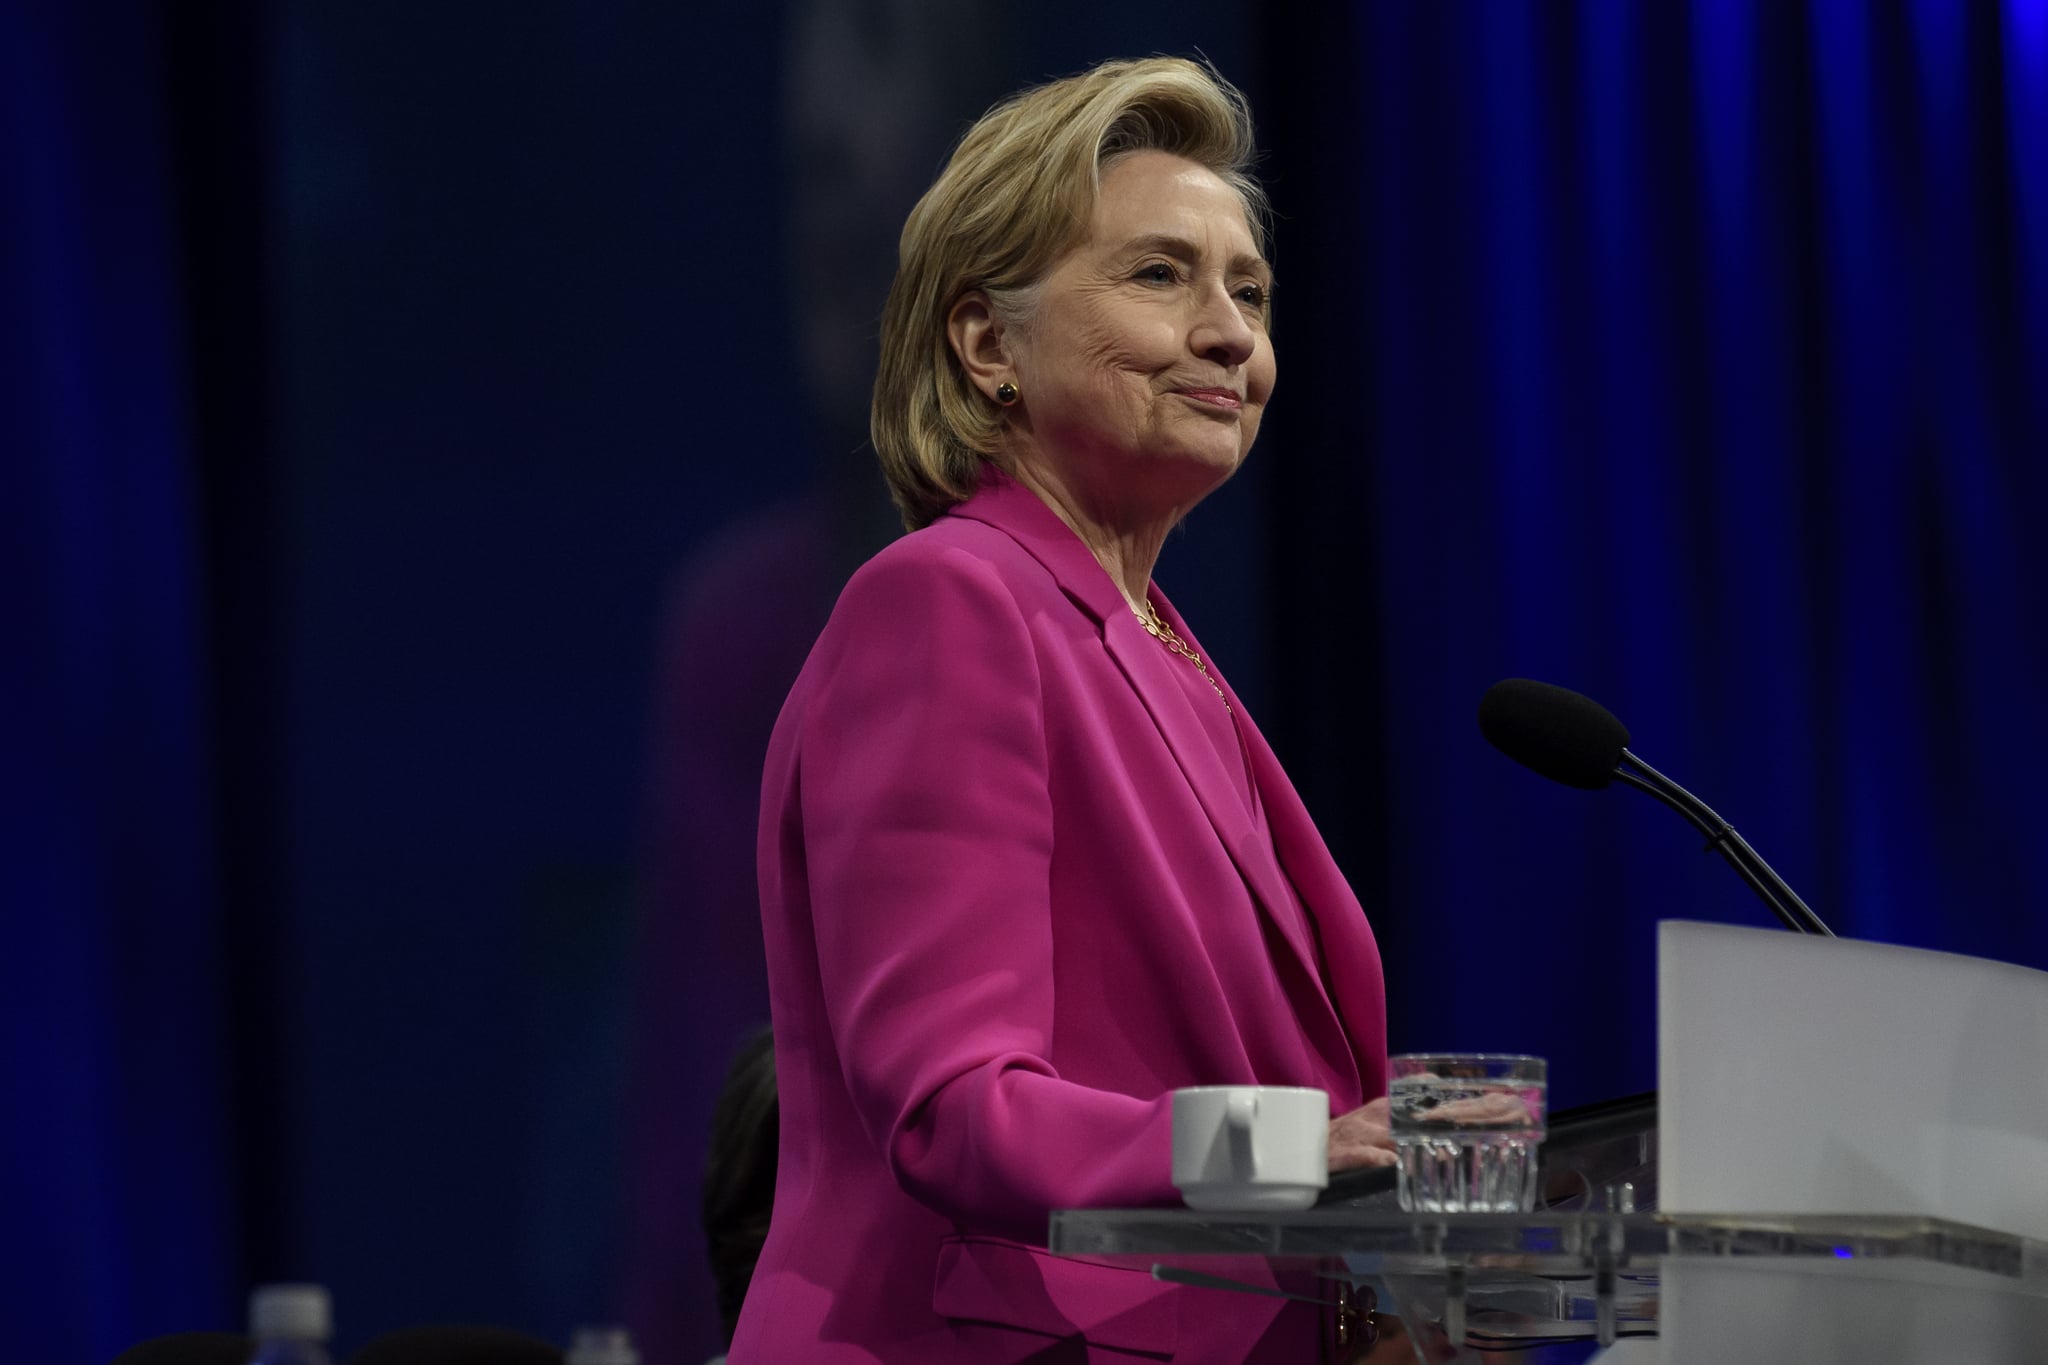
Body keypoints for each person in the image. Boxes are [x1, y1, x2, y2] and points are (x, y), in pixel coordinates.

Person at [730, 56, 1399, 1362]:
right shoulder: (948, 602)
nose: (1230, 334)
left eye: (1249, 291)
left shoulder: (1161, 654)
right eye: (1161, 275)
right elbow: (956, 1107)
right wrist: (1291, 1152)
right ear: (989, 345)